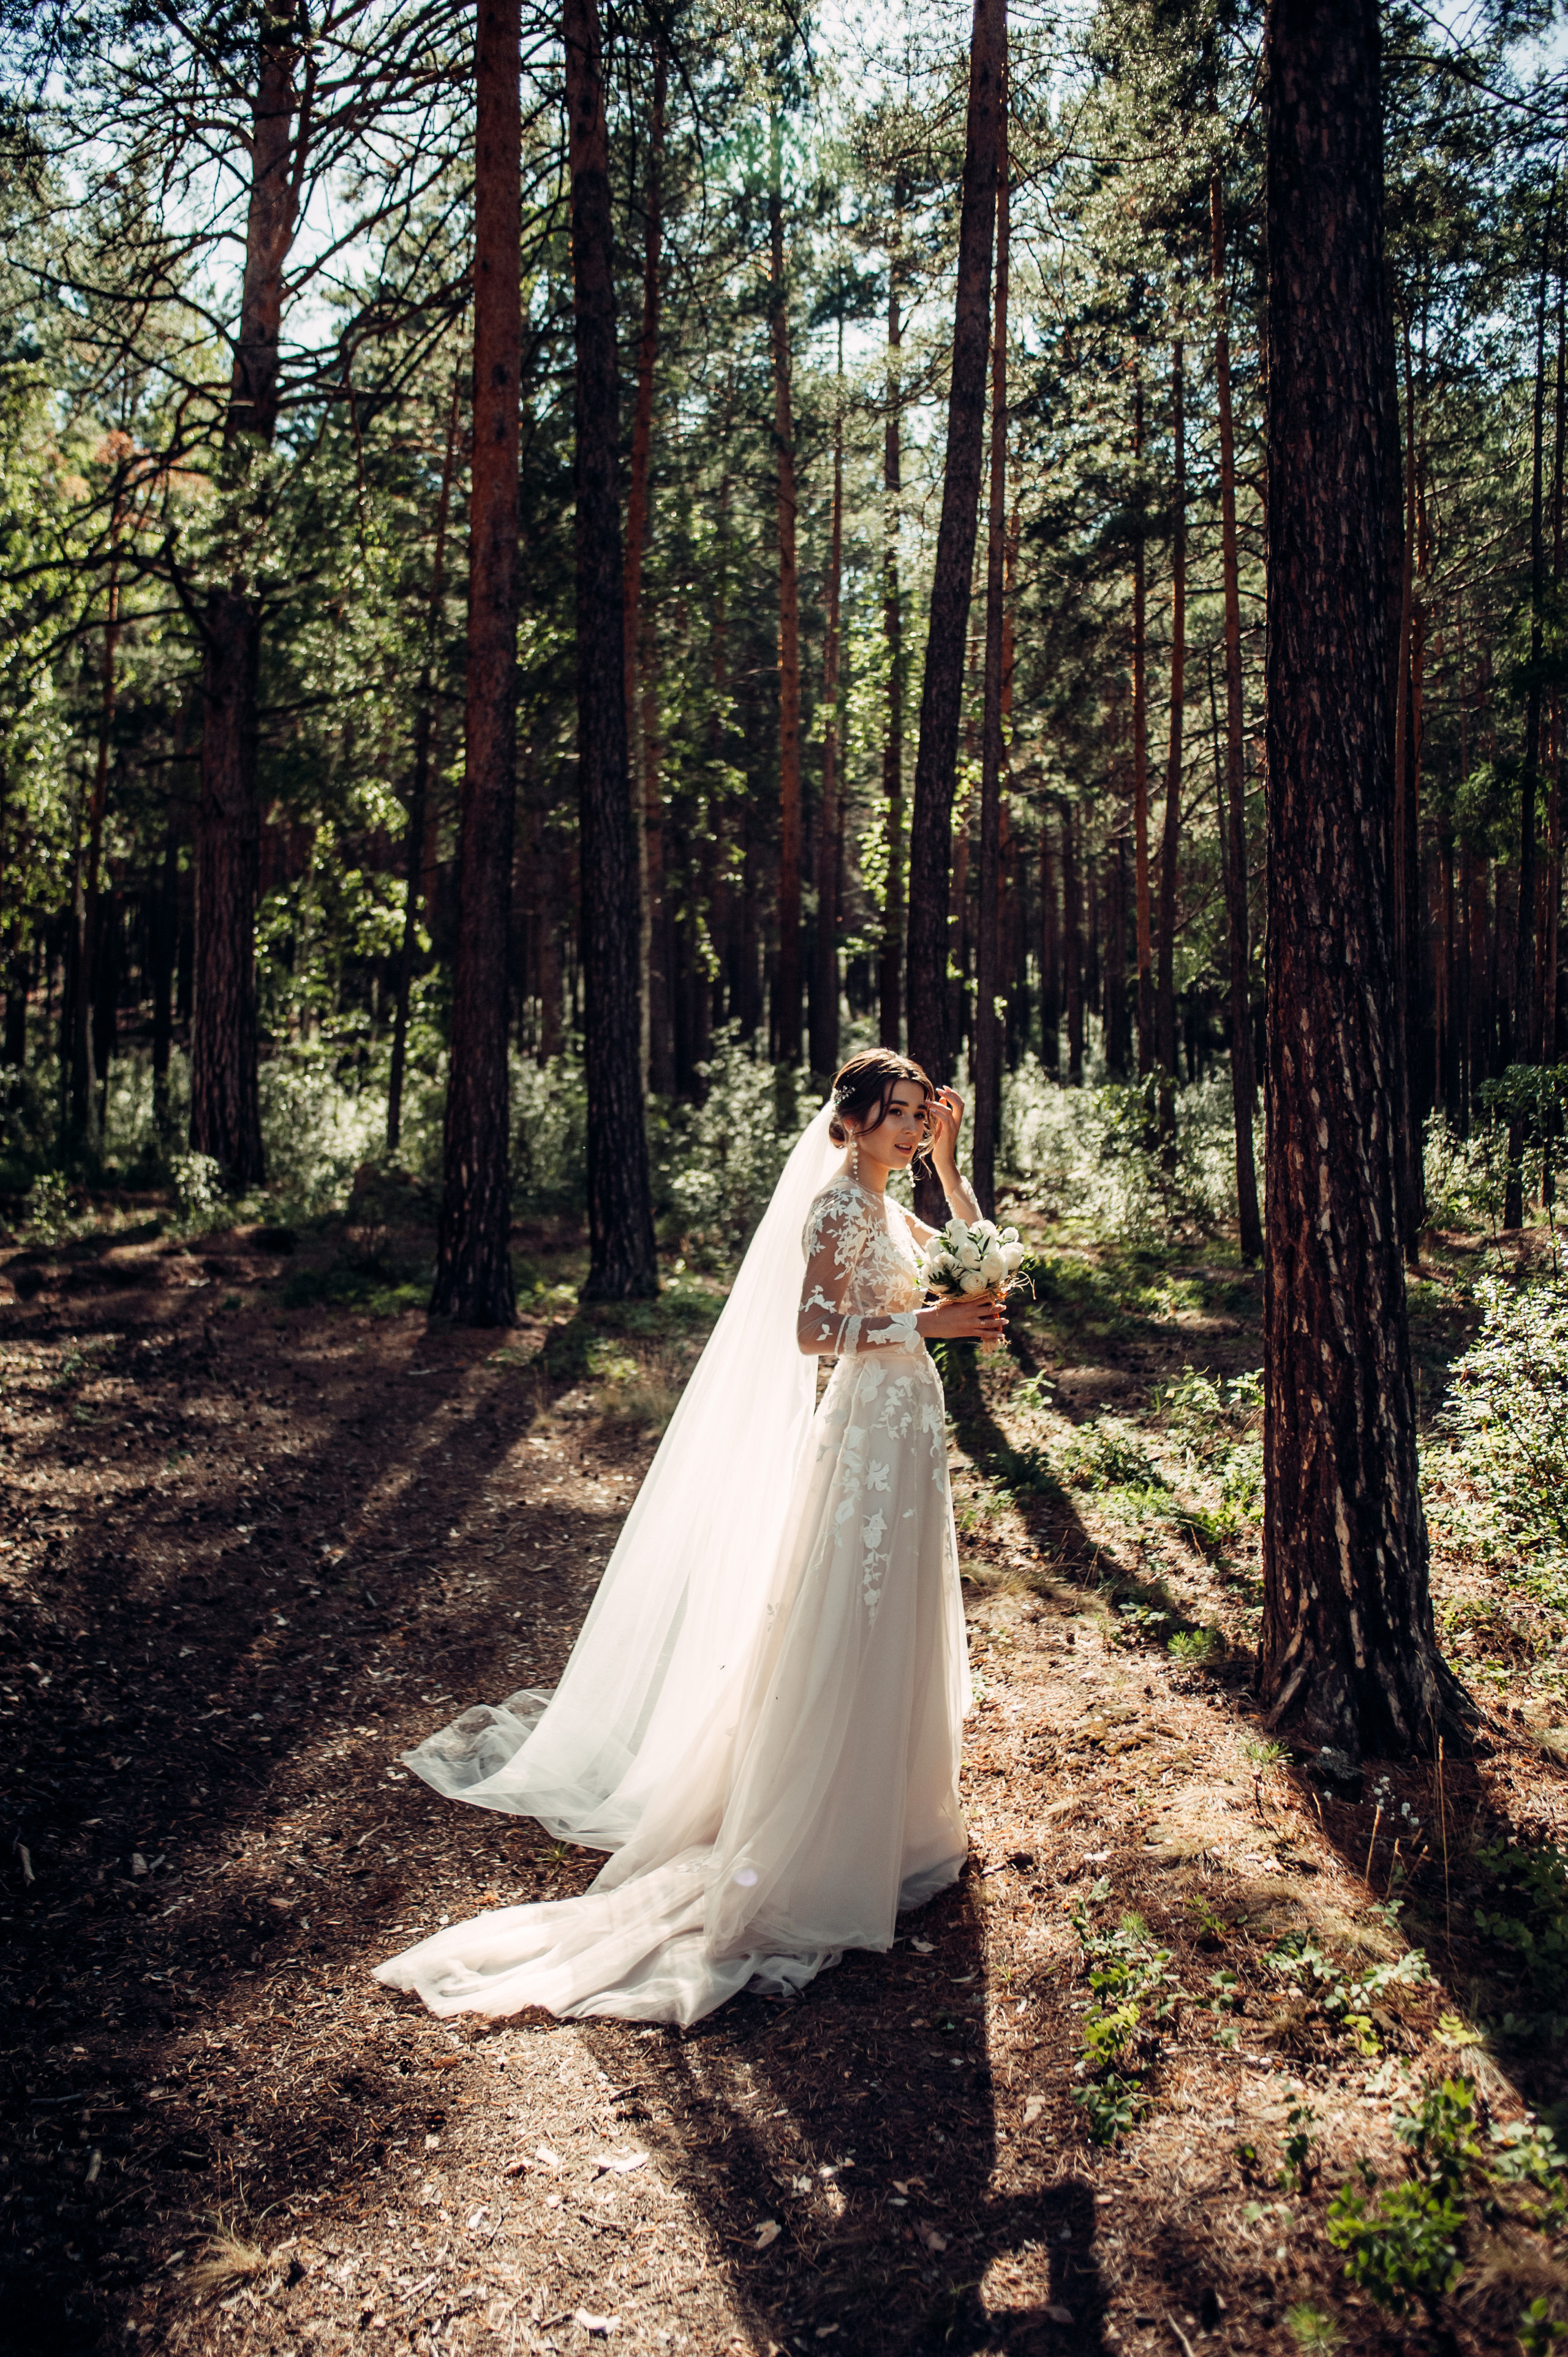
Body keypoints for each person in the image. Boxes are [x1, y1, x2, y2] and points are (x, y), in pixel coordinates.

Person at [374, 1049, 1004, 2026]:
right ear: (850, 1123)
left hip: (909, 1430)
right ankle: (824, 1826)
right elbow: (811, 1330)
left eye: (923, 1115)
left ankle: (899, 1815)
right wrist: (927, 1325)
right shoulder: (839, 1206)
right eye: (897, 1115)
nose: (913, 1129)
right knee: (852, 1612)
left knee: (899, 1610)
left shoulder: (892, 1204)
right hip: (866, 1434)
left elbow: (980, 1258)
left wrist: (957, 1172)